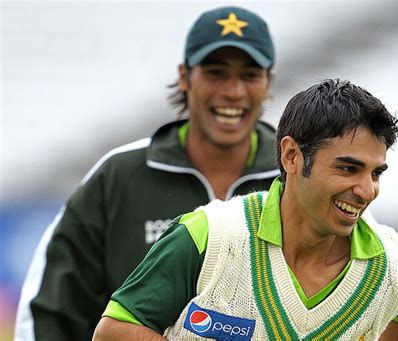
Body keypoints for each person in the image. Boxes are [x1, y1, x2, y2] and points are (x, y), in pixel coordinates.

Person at [93, 78, 398, 341]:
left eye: (375, 173)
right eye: (347, 168)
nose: (366, 190)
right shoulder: (209, 236)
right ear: (291, 156)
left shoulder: (397, 266)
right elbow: (113, 331)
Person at [14, 6, 281, 341]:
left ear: (269, 81)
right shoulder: (120, 175)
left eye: (249, 75)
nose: (233, 91)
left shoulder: (296, 178)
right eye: (215, 72)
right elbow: (50, 309)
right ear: (185, 76)